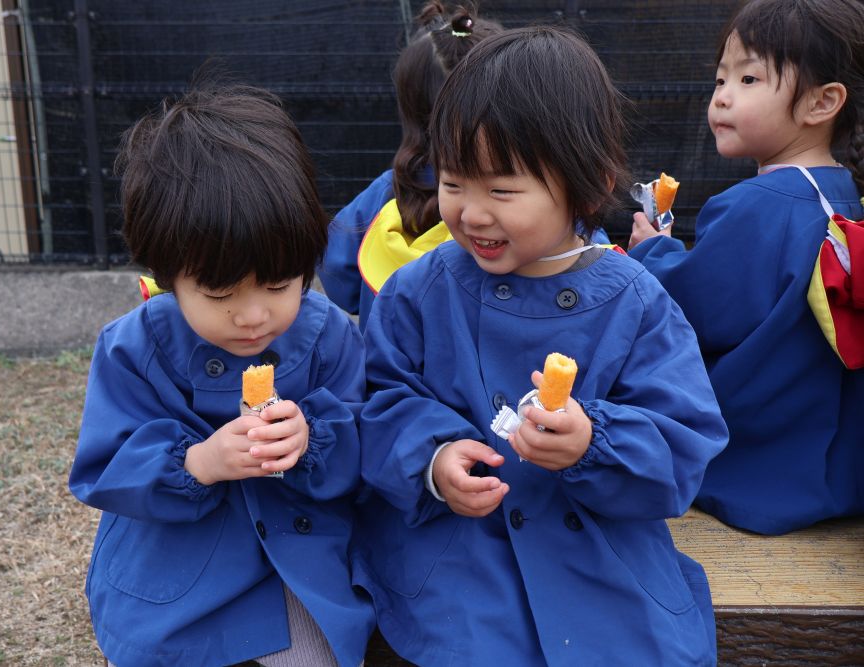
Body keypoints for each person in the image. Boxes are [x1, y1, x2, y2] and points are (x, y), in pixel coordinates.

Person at [352, 25, 729, 665]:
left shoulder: (636, 303)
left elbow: (683, 444)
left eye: (501, 190)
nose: (471, 213)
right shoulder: (418, 291)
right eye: (453, 182)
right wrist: (432, 460)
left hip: (601, 560)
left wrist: (594, 442)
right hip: (460, 555)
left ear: (589, 185)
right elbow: (378, 401)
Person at [68, 82, 374, 667]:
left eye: (279, 285)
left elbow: (366, 442)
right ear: (168, 277)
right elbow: (105, 467)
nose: (253, 315)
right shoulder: (134, 347)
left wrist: (311, 438)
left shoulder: (330, 336)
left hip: (293, 554)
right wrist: (198, 463)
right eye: (219, 294)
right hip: (174, 563)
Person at [629, 0, 864, 535]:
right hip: (829, 459)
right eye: (720, 79)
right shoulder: (842, 193)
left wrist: (652, 252)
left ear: (822, 102)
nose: (721, 96)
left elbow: (691, 312)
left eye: (749, 78)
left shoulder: (758, 206)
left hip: (757, 461)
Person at [319, 1, 505, 329]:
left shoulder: (386, 191)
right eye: (453, 186)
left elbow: (338, 277)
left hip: (387, 355)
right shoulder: (533, 198)